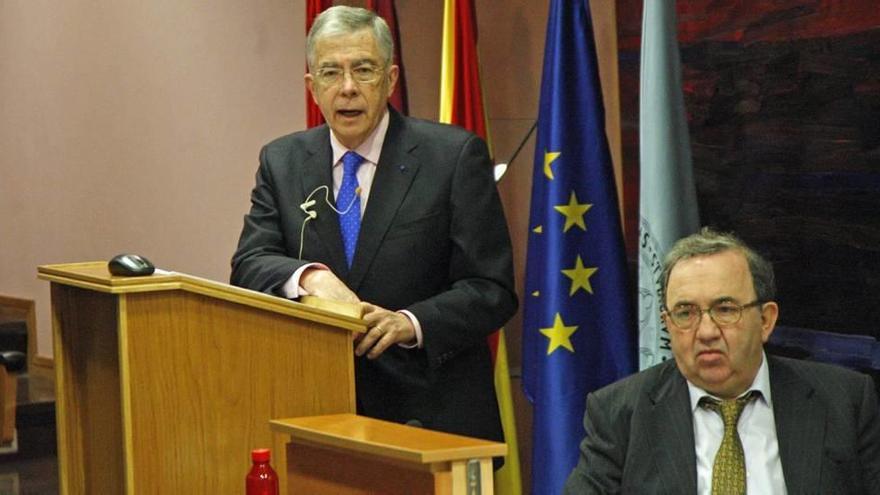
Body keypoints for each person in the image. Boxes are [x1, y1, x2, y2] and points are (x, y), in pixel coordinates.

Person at [230, 6, 516, 445]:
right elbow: (250, 262)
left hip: (431, 419)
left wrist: (411, 322)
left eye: (363, 70)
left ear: (391, 79)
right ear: (312, 87)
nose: (347, 89)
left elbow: (491, 288)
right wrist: (310, 277)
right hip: (321, 418)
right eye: (330, 73)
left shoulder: (452, 157)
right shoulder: (282, 162)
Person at [564, 228, 880, 494]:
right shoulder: (619, 413)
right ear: (668, 324)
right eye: (685, 313)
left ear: (766, 320)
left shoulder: (845, 401)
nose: (706, 332)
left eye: (725, 309)